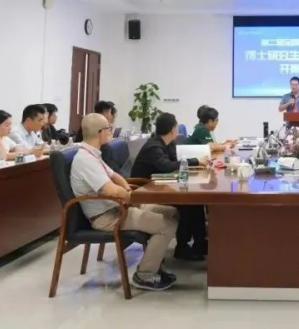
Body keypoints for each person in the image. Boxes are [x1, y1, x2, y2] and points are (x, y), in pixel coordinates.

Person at [72, 113, 179, 290]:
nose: (111, 131)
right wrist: (132, 199)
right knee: (166, 225)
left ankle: (154, 263)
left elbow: (116, 177)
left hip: (118, 206)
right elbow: (111, 191)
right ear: (100, 132)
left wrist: (128, 192)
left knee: (172, 212)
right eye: (109, 128)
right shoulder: (85, 160)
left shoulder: (93, 154)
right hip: (107, 216)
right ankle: (145, 275)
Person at [132, 113, 209, 261]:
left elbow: (175, 161)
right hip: (147, 192)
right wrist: (195, 161)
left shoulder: (167, 143)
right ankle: (183, 248)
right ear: (173, 129)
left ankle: (199, 244)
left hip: (159, 185)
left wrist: (194, 162)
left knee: (196, 202)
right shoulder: (153, 146)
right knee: (188, 204)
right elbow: (167, 166)